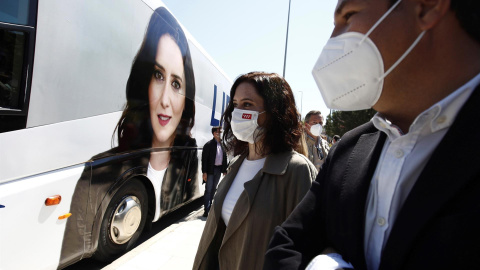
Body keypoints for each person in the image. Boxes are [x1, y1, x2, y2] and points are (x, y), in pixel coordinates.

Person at [265, 0, 480, 269]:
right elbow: (285, 245)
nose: (332, 41)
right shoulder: (350, 149)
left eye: (349, 16)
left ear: (426, 6)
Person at [61, 6, 198, 263]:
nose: (166, 100)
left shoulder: (189, 160)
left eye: (176, 84)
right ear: (145, 81)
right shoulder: (99, 170)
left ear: (186, 100)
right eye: (158, 75)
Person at [193, 72, 316, 270]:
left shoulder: (297, 171)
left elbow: (305, 248)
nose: (237, 112)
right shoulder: (235, 164)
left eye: (248, 104)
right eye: (235, 104)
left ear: (275, 112)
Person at [202, 126, 228, 217]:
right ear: (214, 134)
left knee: (214, 189)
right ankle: (206, 210)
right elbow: (204, 160)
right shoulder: (208, 145)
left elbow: (224, 158)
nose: (220, 134)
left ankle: (210, 208)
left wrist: (224, 170)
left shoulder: (222, 145)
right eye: (218, 132)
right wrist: (204, 172)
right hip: (210, 170)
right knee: (208, 190)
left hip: (218, 169)